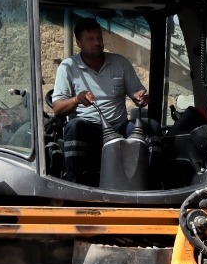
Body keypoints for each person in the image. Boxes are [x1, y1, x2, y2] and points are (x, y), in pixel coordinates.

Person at [51, 18, 148, 183]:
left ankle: (149, 184)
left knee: (149, 126)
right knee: (74, 126)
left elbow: (138, 93)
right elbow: (57, 109)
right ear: (79, 42)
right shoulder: (68, 67)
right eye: (90, 39)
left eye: (99, 38)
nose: (97, 43)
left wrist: (141, 98)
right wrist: (77, 99)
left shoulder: (120, 63)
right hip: (89, 129)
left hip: (119, 128)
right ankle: (76, 187)